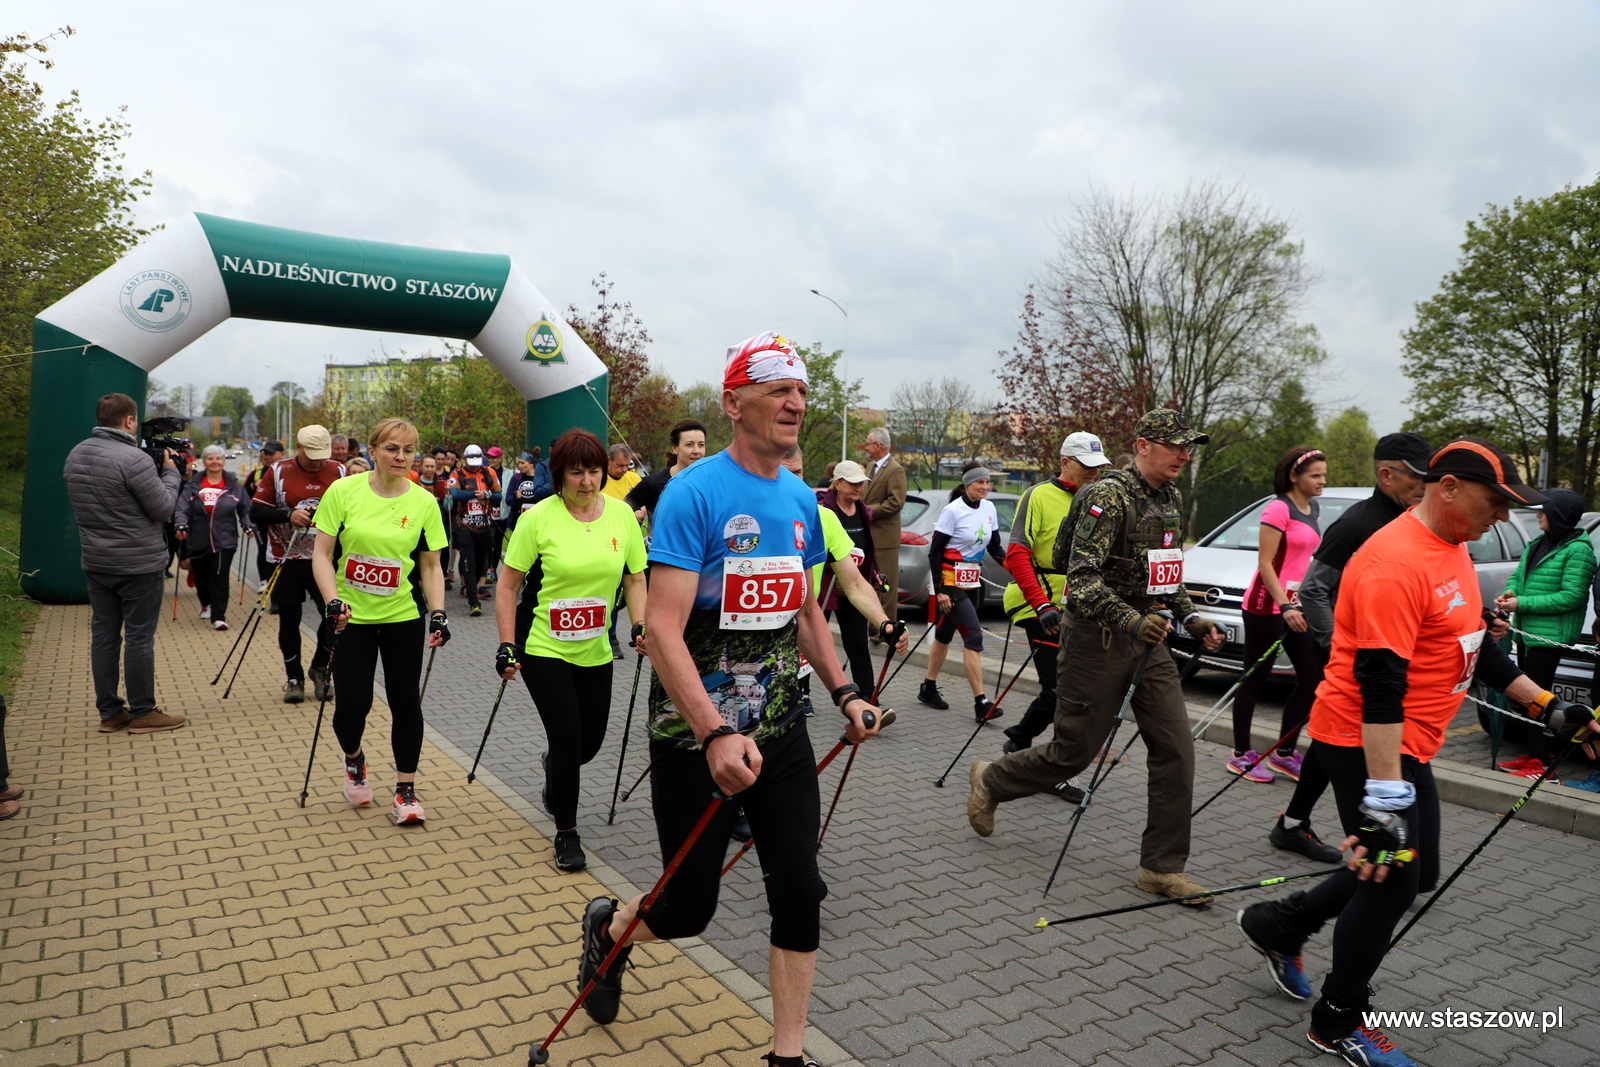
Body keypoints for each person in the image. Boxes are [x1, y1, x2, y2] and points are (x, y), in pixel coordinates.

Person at [574, 331, 883, 1067]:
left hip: (779, 728)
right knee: (688, 908)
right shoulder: (694, 492)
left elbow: (806, 610)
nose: (796, 402)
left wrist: (843, 690)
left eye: (801, 390)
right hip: (695, 735)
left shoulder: (800, 501)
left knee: (800, 889)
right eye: (778, 388)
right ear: (734, 401)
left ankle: (787, 1055)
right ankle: (609, 929)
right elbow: (662, 626)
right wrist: (713, 732)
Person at [1235, 437, 1592, 1067]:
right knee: (1393, 877)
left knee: (1407, 869)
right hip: (1365, 739)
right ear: (1448, 487)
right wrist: (1383, 798)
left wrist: (1546, 705)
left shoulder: (1451, 548)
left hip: (1412, 739)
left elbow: (1474, 646)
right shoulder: (1395, 564)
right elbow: (1378, 688)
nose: (1503, 518)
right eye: (1495, 502)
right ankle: (1338, 1018)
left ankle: (1282, 924)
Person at [965, 409, 1225, 903]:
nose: (1185, 455)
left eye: (1189, 447)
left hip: (1148, 641)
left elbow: (1166, 573)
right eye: (1176, 446)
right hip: (1096, 641)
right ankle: (993, 778)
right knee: (1073, 753)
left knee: (1176, 750)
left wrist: (1191, 618)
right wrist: (1131, 620)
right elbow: (1081, 585)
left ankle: (1161, 868)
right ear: (1145, 444)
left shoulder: (1169, 497)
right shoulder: (1106, 495)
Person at [494, 429, 649, 871]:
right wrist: (508, 644)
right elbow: (508, 585)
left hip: (596, 648)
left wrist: (639, 624)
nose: (586, 482)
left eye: (594, 471)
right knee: (567, 737)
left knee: (588, 743)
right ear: (559, 474)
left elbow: (635, 578)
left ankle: (555, 768)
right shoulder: (538, 518)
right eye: (576, 473)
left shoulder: (621, 517)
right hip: (544, 646)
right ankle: (566, 833)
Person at [1280, 432, 1431, 865]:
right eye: (1417, 477)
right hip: (1355, 658)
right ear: (1386, 475)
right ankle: (1373, 847)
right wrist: (1338, 646)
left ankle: (1291, 824)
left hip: (1386, 659)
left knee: (1332, 741)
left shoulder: (1413, 523)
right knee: (1344, 743)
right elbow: (1312, 590)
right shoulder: (1357, 524)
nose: (1425, 485)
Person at [312, 417, 449, 825]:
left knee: (405, 701)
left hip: (402, 615)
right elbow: (321, 554)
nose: (401, 456)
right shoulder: (343, 491)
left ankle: (405, 790)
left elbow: (430, 565)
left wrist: (438, 612)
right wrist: (332, 601)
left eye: (408, 450)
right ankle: (354, 759)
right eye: (392, 448)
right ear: (372, 450)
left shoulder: (424, 502)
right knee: (354, 704)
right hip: (349, 616)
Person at [64, 393, 187, 734]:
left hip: (97, 561)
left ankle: (109, 713)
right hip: (138, 563)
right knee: (138, 637)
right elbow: (162, 509)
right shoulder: (133, 460)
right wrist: (172, 474)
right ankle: (143, 712)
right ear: (129, 421)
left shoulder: (76, 454)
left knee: (103, 636)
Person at [1000, 431, 1109, 756]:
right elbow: (1017, 553)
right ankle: (1056, 763)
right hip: (1039, 607)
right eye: (1086, 465)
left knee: (1070, 690)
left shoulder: (1100, 499)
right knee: (1062, 689)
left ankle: (1020, 739)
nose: (1094, 472)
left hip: (1079, 606)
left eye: (1098, 465)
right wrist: (1041, 603)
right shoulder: (1038, 495)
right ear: (1064, 462)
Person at [1228, 447, 1328, 784]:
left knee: (1312, 679)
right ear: (1294, 476)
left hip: (1295, 606)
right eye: (1315, 475)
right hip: (1265, 605)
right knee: (1255, 679)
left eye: (1323, 475)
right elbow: (1266, 564)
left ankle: (1284, 754)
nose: (1322, 481)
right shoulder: (1277, 508)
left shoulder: (1312, 507)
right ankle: (1240, 754)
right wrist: (1283, 605)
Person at [1493, 487, 1595, 775]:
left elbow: (1571, 596)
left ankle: (1543, 762)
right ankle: (1534, 755)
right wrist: (1510, 592)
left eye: (1544, 510)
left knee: (1538, 700)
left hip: (1549, 638)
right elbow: (1518, 575)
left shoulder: (1579, 550)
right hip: (1527, 634)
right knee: (1530, 699)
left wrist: (1521, 603)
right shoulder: (1538, 542)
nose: (1538, 514)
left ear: (1558, 515)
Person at [251, 425, 346, 703]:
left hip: (324, 558)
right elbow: (255, 510)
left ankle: (319, 668)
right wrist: (288, 514)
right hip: (285, 556)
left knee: (335, 616)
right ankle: (294, 677)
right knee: (290, 619)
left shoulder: (339, 472)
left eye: (323, 455)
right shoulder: (279, 471)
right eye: (312, 455)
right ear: (299, 447)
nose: (318, 462)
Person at [917, 466, 1009, 724]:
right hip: (950, 582)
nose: (985, 486)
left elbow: (995, 547)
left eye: (988, 482)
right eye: (980, 482)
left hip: (972, 581)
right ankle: (981, 703)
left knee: (944, 635)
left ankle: (928, 688)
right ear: (968, 484)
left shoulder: (989, 509)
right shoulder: (953, 511)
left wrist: (1016, 567)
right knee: (974, 638)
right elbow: (934, 553)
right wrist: (942, 589)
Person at [819, 460, 886, 698]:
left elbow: (865, 550)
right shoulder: (823, 510)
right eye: (853, 483)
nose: (859, 488)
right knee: (811, 644)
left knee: (858, 645)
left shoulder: (864, 511)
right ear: (837, 484)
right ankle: (803, 696)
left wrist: (872, 575)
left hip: (854, 588)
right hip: (825, 589)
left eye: (862, 484)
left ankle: (869, 699)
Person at [173, 444, 252, 631]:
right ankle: (205, 604)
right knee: (201, 575)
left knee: (219, 577)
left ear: (223, 461)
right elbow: (182, 508)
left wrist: (248, 525)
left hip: (224, 539)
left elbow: (245, 509)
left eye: (218, 458)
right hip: (198, 538)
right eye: (210, 458)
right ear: (204, 462)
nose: (215, 462)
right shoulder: (193, 485)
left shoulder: (233, 485)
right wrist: (181, 524)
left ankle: (219, 617)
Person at [447, 444, 502, 616]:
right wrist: (475, 494)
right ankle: (473, 601)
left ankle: (474, 585)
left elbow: (499, 496)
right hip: (464, 526)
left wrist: (488, 495)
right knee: (469, 562)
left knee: (480, 563)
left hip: (484, 525)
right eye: (470, 461)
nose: (474, 465)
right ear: (464, 459)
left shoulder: (489, 473)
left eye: (476, 461)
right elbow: (455, 495)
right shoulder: (457, 475)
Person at [860, 427, 908, 619]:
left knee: (887, 585)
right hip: (869, 536)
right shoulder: (871, 467)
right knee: (871, 583)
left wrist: (868, 512)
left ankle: (887, 627)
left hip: (885, 539)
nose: (865, 447)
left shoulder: (896, 470)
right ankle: (874, 624)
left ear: (878, 445)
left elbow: (896, 502)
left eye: (868, 443)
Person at [625, 419, 706, 529]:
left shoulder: (710, 484)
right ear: (675, 448)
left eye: (701, 445)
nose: (697, 451)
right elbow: (621, 512)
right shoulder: (654, 483)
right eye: (689, 445)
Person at [244, 440, 285, 612]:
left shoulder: (287, 472)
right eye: (265, 454)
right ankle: (267, 585)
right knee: (265, 551)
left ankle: (281, 593)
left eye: (272, 453)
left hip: (284, 522)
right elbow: (245, 493)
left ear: (281, 454)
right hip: (262, 520)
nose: (268, 457)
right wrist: (254, 486)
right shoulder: (256, 473)